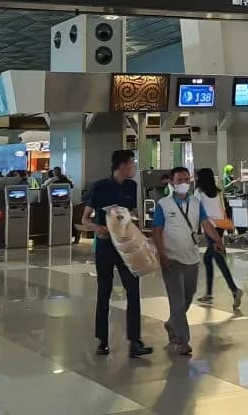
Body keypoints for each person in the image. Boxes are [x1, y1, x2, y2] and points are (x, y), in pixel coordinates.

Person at [82, 149, 151, 358]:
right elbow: (85, 219)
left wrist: (131, 218)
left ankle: (135, 341)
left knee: (133, 290)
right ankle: (102, 340)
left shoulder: (132, 186)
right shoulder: (99, 187)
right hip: (105, 247)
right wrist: (97, 228)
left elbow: (132, 213)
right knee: (104, 291)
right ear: (121, 166)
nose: (134, 167)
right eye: (131, 163)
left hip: (126, 246)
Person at [152, 167, 224, 357]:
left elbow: (206, 224)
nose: (184, 183)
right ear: (172, 182)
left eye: (186, 179)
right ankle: (183, 341)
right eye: (179, 180)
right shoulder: (163, 204)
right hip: (172, 259)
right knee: (176, 301)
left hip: (191, 257)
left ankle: (171, 324)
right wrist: (161, 254)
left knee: (187, 298)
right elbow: (157, 231)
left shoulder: (195, 202)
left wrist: (217, 240)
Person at [195, 168, 242, 309]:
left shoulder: (199, 193)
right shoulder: (219, 192)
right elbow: (224, 210)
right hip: (220, 227)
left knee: (219, 260)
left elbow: (197, 211)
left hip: (210, 227)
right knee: (209, 258)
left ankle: (235, 290)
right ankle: (209, 293)